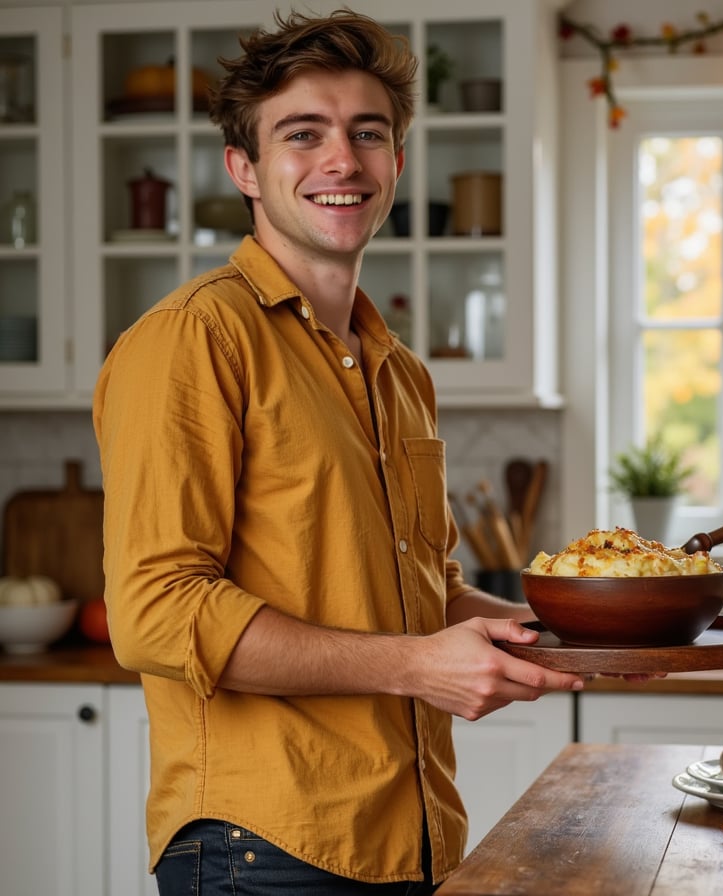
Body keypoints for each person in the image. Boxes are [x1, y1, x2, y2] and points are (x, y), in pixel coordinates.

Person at [93, 10, 586, 895]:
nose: (343, 161)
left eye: (369, 133)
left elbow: (419, 589)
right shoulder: (192, 340)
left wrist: (576, 631)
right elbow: (157, 613)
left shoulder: (398, 371)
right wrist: (416, 665)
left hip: (410, 835)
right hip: (260, 850)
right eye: (302, 134)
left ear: (397, 161)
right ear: (243, 167)